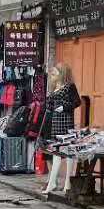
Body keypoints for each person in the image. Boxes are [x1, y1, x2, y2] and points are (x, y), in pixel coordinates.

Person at [42, 64, 81, 196]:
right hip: (54, 122)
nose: (54, 74)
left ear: (62, 73)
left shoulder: (70, 87)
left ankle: (68, 182)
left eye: (56, 72)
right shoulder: (54, 88)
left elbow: (77, 102)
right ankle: (52, 182)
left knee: (68, 152)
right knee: (55, 153)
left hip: (65, 121)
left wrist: (64, 107)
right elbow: (49, 106)